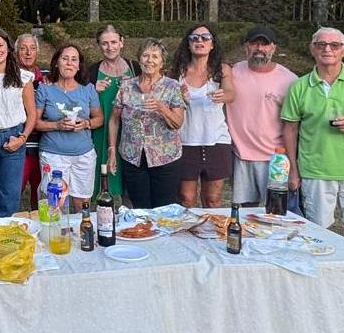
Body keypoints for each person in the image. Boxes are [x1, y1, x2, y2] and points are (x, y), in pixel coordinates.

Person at [281, 27, 344, 246]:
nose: (327, 49)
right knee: (317, 232)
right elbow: (289, 129)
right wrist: (293, 170)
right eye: (321, 44)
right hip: (315, 170)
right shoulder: (299, 86)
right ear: (312, 49)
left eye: (334, 45)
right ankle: (321, 277)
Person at [107, 39, 185, 208]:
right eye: (145, 55)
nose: (150, 60)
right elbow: (114, 120)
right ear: (139, 59)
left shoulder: (172, 86)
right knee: (140, 209)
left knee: (164, 209)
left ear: (162, 62)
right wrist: (112, 149)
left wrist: (161, 108)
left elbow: (178, 122)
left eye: (155, 56)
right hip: (133, 158)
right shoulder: (126, 86)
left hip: (165, 159)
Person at [225, 25, 298, 206]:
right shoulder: (231, 73)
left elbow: (295, 125)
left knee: (274, 213)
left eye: (265, 45)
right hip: (241, 156)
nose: (259, 49)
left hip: (275, 159)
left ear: (273, 48)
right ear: (246, 47)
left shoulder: (289, 80)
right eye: (254, 44)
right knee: (245, 213)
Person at [170, 23, 235, 208]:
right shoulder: (177, 72)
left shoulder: (221, 70)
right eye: (194, 38)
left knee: (212, 199)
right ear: (188, 44)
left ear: (212, 44)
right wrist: (178, 96)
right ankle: (186, 235)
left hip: (216, 139)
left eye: (205, 37)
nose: (200, 41)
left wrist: (223, 94)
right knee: (186, 198)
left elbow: (231, 94)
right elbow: (167, 101)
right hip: (185, 140)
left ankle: (212, 235)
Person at [34, 43, 103, 213]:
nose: (69, 63)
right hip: (53, 155)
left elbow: (99, 119)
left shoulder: (88, 90)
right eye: (65, 59)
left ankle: (82, 238)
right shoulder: (45, 89)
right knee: (56, 206)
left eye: (74, 60)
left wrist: (86, 123)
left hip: (84, 155)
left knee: (83, 204)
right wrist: (57, 125)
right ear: (57, 62)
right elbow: (34, 123)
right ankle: (58, 238)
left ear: (79, 66)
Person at [0, 28, 37, 220]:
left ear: (8, 48)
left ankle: (6, 241)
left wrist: (22, 138)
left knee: (8, 198)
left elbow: (32, 114)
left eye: (0, 45)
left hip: (14, 137)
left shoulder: (22, 77)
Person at [87, 24, 139, 201]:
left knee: (130, 180)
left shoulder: (136, 68)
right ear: (99, 45)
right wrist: (92, 90)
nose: (110, 47)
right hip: (100, 134)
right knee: (101, 177)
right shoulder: (91, 72)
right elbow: (78, 102)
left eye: (114, 42)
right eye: (104, 43)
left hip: (130, 133)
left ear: (122, 42)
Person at [15, 33, 47, 208]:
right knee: (14, 191)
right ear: (16, 51)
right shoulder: (9, 77)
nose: (28, 53)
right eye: (23, 48)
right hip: (19, 143)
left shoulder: (47, 77)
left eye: (32, 48)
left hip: (43, 145)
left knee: (41, 195)